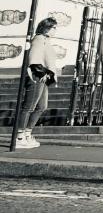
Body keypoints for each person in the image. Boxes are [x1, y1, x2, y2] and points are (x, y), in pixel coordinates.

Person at [15, 17, 60, 150]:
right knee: (29, 106)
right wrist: (42, 73)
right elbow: (34, 58)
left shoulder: (45, 40)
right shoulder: (39, 39)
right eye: (54, 28)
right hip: (36, 77)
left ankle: (28, 133)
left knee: (41, 106)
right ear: (46, 27)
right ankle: (19, 136)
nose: (55, 31)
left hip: (43, 78)